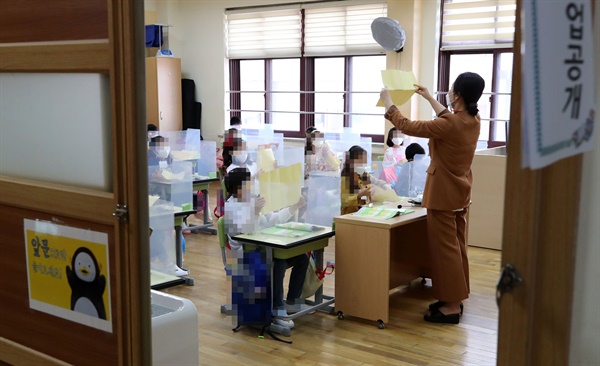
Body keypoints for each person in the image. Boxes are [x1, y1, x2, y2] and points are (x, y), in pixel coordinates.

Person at [380, 72, 485, 324]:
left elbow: (408, 126)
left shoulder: (449, 125)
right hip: (460, 191)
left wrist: (389, 105)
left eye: (451, 89)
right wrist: (428, 97)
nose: (448, 93)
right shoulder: (473, 119)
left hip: (443, 193)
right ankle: (456, 296)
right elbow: (448, 117)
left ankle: (450, 306)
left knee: (445, 251)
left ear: (457, 95)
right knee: (457, 247)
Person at [224, 167, 308, 329]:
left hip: (263, 249)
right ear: (239, 189)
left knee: (302, 258)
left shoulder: (252, 201)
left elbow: (271, 220)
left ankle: (292, 301)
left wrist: (294, 207)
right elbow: (244, 234)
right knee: (279, 263)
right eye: (250, 183)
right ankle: (277, 309)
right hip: (246, 257)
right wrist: (254, 212)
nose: (254, 185)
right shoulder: (231, 208)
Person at [340, 145, 391, 215]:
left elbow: (376, 181)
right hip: (349, 214)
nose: (362, 164)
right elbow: (345, 201)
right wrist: (360, 195)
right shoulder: (345, 177)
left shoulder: (362, 173)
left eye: (364, 161)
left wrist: (385, 185)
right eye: (360, 161)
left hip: (363, 211)